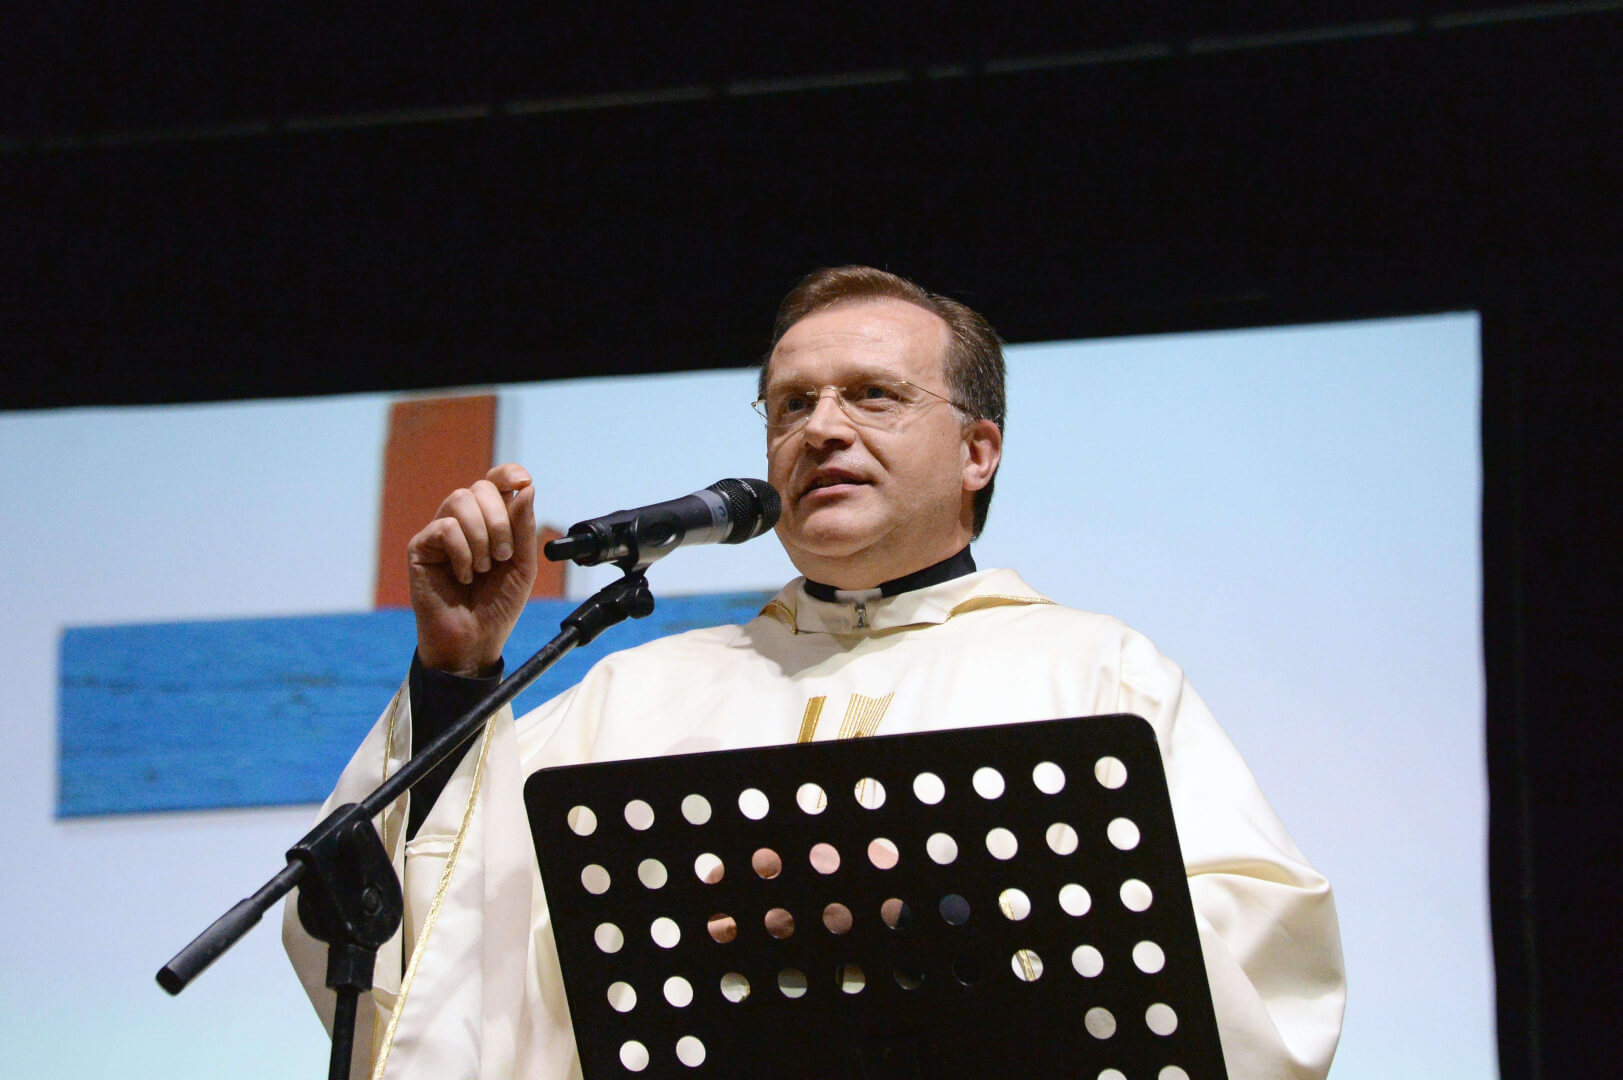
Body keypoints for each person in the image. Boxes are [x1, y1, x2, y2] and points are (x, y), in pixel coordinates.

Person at [285, 266, 1346, 1079]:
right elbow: (429, 938)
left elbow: (1253, 974)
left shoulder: (1093, 672)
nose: (821, 429)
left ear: (977, 451)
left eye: (872, 395)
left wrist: (938, 920)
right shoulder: (639, 694)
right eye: (791, 405)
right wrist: (458, 669)